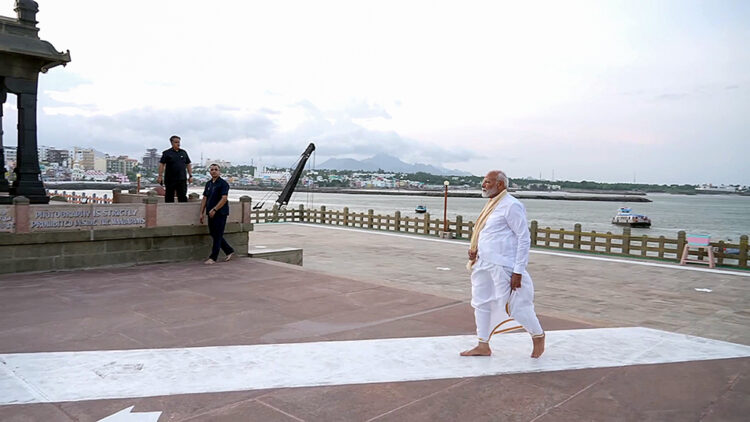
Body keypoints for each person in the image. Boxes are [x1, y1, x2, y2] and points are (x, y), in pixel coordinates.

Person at [460, 170, 545, 358]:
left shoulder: (511, 205)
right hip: (482, 263)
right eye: (483, 181)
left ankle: (538, 335)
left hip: (503, 265)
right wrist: (475, 250)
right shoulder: (491, 205)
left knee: (515, 305)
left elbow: (524, 239)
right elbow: (488, 233)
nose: (483, 185)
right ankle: (483, 344)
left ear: (500, 185)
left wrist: (518, 271)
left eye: (488, 182)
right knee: (481, 303)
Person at [200, 164, 235, 264]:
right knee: (213, 233)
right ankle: (229, 250)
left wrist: (215, 209)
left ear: (219, 172)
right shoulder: (208, 184)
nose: (214, 171)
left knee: (218, 234)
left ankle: (213, 257)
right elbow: (204, 198)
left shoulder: (223, 184)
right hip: (210, 213)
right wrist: (201, 213)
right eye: (212, 170)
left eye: (216, 169)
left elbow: (224, 198)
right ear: (210, 172)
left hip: (220, 213)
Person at [157, 135, 193, 202]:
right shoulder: (166, 153)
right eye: (176, 142)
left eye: (179, 142)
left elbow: (188, 164)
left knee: (182, 196)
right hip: (170, 179)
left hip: (182, 179)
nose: (178, 144)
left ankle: (182, 211)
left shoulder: (183, 152)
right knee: (169, 197)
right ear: (172, 143)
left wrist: (190, 175)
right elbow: (162, 164)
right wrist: (160, 176)